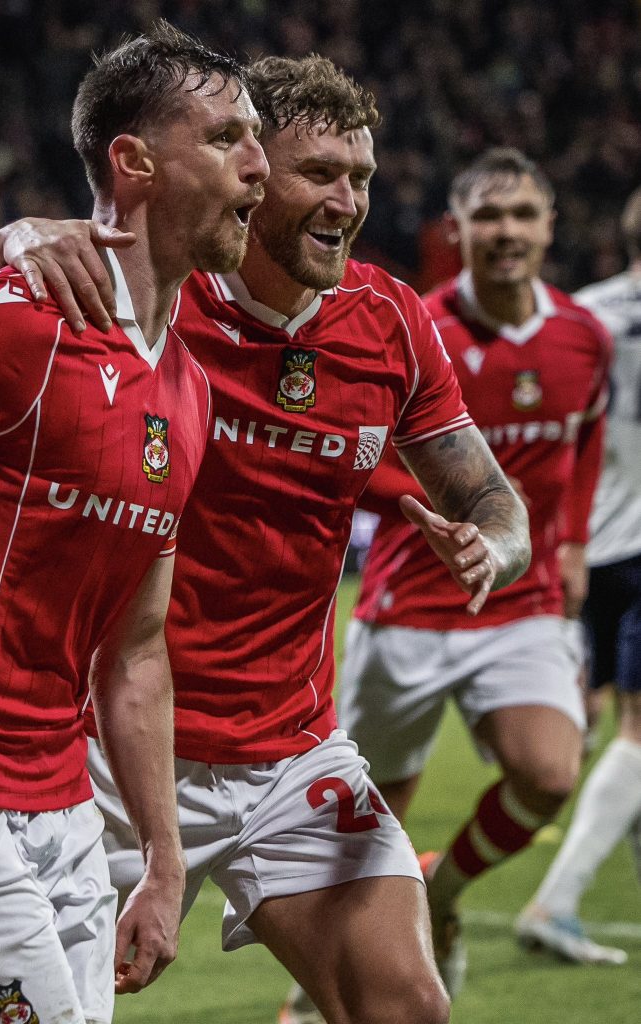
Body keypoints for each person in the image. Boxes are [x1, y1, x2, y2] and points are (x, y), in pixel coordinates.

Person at [0, 57, 531, 1024]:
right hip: (102, 747)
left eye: (361, 177)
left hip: (287, 749)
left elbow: (489, 496)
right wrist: (5, 244)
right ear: (250, 176)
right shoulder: (147, 291)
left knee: (406, 1010)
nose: (347, 200)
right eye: (319, 175)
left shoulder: (388, 322)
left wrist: (489, 548)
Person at [0, 22, 268, 1024]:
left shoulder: (189, 393)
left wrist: (162, 856)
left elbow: (139, 652)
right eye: (228, 137)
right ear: (134, 161)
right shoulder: (15, 322)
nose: (258, 164)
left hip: (60, 795)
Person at [334, 148, 612, 998]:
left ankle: (443, 891)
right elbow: (360, 453)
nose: (506, 233)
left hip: (518, 604)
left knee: (550, 772)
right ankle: (324, 988)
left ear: (548, 228)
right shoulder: (412, 328)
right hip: (405, 608)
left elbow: (584, 436)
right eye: (487, 217)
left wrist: (566, 546)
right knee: (351, 834)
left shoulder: (581, 336)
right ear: (456, 231)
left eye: (522, 215)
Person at [515, 185, 641, 965]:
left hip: (588, 544)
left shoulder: (582, 314)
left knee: (602, 722)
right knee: (636, 731)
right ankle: (554, 902)